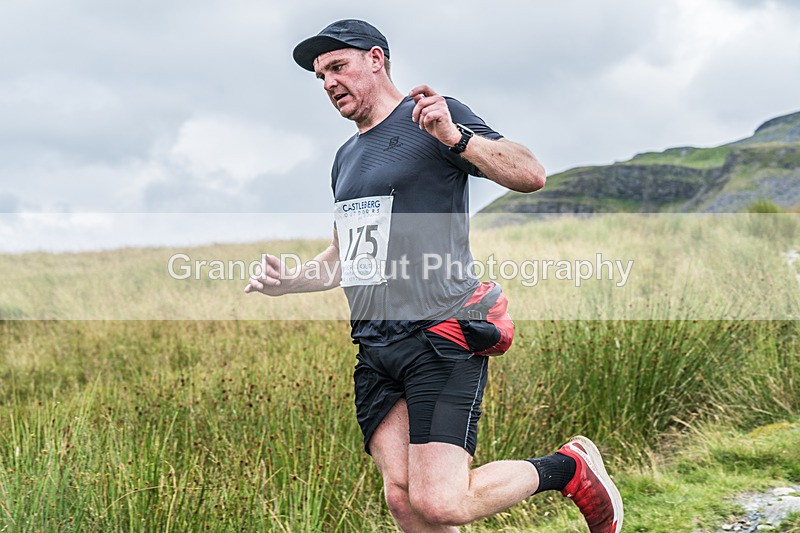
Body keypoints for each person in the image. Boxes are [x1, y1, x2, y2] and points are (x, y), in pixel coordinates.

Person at [245, 19, 623, 532]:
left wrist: (454, 136)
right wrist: (294, 280)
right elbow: (347, 257)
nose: (329, 82)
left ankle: (569, 468)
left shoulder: (429, 117)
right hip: (376, 347)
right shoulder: (345, 158)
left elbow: (530, 173)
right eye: (320, 76)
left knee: (442, 503)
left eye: (338, 66)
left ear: (375, 59)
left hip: (439, 333)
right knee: (403, 501)